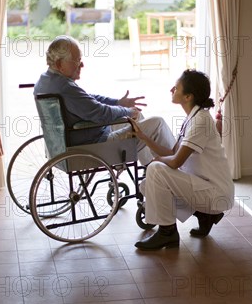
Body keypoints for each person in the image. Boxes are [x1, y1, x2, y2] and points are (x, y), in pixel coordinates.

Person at [130, 69, 234, 250]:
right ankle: (205, 215)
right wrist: (143, 137)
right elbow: (172, 151)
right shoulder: (193, 117)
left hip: (216, 193)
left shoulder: (201, 121)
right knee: (149, 183)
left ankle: (167, 232)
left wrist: (156, 161)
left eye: (176, 87)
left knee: (155, 171)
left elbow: (176, 161)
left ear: (188, 97)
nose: (172, 89)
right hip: (206, 187)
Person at [34, 35, 175, 164]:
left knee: (137, 119)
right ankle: (174, 163)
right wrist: (126, 110)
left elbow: (88, 98)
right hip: (93, 145)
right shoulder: (65, 87)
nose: (81, 65)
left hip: (68, 141)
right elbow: (101, 113)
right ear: (59, 64)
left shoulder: (46, 81)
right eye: (77, 61)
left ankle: (150, 167)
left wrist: (118, 103)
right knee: (157, 123)